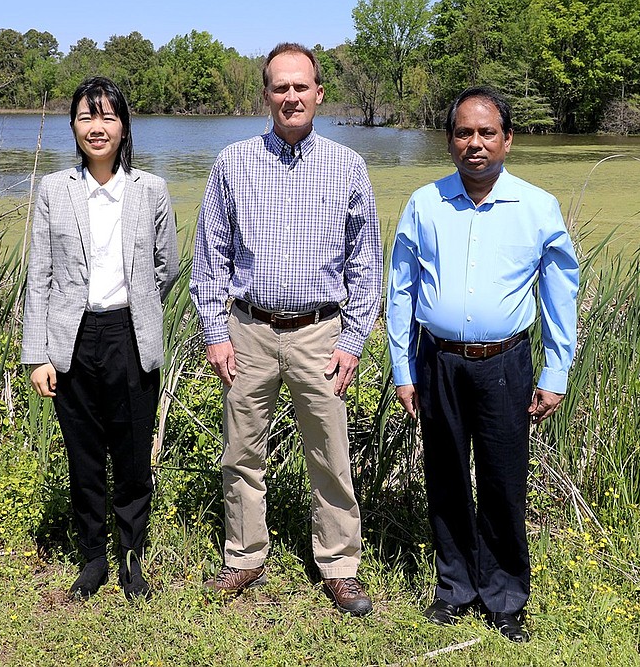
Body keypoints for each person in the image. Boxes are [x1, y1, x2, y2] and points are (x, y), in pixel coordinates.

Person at [190, 42, 382, 616]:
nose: (291, 96)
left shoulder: (348, 165)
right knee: (242, 449)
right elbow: (210, 256)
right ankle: (244, 556)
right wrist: (215, 332)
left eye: (302, 86)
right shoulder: (233, 162)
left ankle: (338, 564)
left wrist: (352, 342)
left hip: (320, 333)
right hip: (248, 329)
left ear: (319, 93)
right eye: (280, 87)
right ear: (266, 95)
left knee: (329, 451)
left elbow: (365, 262)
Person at [386, 86, 579, 641]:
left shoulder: (537, 206)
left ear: (508, 139)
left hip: (506, 363)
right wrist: (404, 368)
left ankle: (505, 595)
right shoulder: (425, 203)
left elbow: (560, 293)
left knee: (502, 480)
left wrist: (555, 371)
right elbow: (400, 291)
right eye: (464, 133)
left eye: (486, 132)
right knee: (444, 476)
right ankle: (455, 588)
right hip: (438, 361)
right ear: (449, 141)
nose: (475, 143)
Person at [22, 76, 179, 602]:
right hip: (72, 339)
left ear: (124, 126)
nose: (97, 127)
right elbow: (38, 274)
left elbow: (166, 266)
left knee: (133, 454)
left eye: (107, 116)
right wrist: (37, 355)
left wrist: (137, 303)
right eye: (87, 117)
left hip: (131, 334)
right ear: (73, 126)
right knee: (83, 454)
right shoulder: (53, 190)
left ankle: (132, 557)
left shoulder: (150, 190)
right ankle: (93, 558)